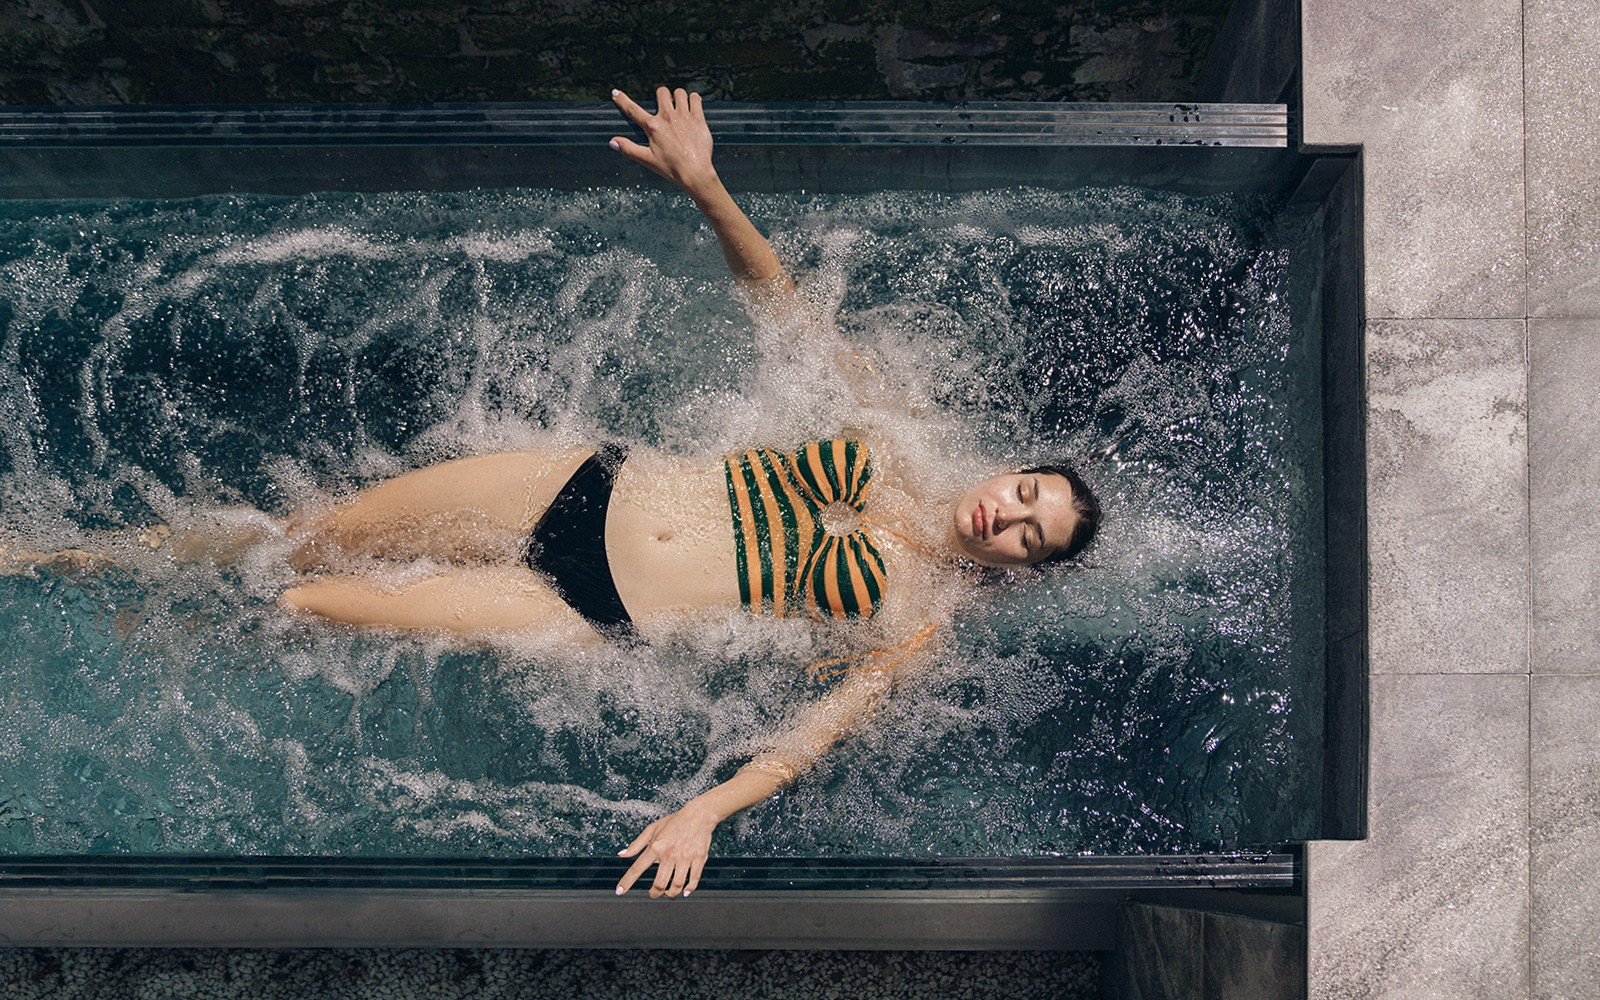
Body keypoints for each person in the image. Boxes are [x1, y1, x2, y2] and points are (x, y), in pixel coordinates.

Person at [3, 87, 1101, 899]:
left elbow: (811, 736)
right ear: (1014, 469)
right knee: (300, 539)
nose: (1005, 514)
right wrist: (706, 185)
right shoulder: (896, 432)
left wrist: (704, 815)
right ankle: (55, 557)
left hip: (583, 612)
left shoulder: (918, 627)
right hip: (564, 487)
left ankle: (163, 636)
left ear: (1022, 568)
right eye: (1026, 491)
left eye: (1027, 535)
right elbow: (785, 308)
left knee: (304, 606)